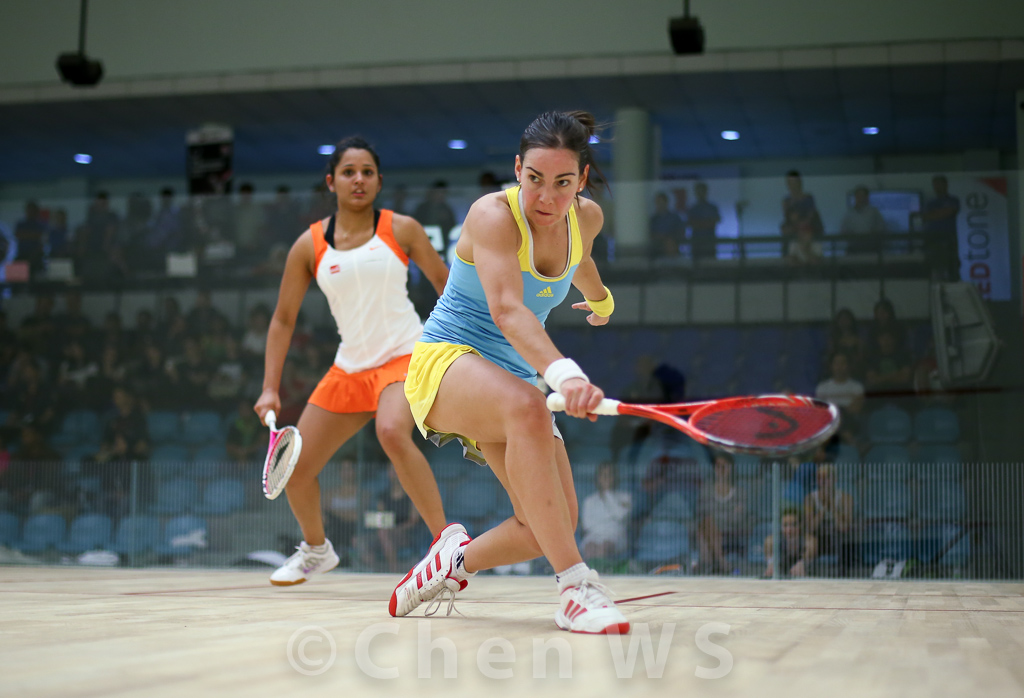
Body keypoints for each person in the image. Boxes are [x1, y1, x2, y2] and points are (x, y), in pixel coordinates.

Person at [396, 110, 630, 634]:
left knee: (546, 527)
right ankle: (575, 588)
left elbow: (582, 262)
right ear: (518, 168)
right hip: (448, 360)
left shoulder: (585, 218)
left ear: (582, 181)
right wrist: (564, 375)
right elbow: (506, 308)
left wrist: (602, 303)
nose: (546, 198)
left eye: (563, 183)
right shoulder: (491, 215)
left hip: (514, 376)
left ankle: (452, 563)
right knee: (527, 406)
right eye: (535, 180)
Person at [253, 136, 451, 587]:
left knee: (390, 431)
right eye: (348, 172)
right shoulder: (309, 245)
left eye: (366, 171)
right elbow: (283, 320)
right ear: (331, 182)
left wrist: (458, 348)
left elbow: (446, 287)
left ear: (379, 181)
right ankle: (316, 550)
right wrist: (270, 386)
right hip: (348, 368)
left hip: (404, 357)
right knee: (297, 469)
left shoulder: (403, 229)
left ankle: (446, 547)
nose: (357, 179)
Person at [695, 453, 749, 574]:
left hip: (732, 531)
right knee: (706, 524)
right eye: (718, 466)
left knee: (706, 526)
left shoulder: (740, 491)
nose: (721, 469)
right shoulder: (707, 489)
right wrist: (728, 513)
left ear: (731, 468)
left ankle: (710, 564)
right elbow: (701, 511)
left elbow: (739, 517)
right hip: (710, 528)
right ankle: (721, 562)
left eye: (725, 466)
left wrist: (718, 516)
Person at [803, 464, 853, 574]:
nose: (823, 481)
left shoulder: (846, 498)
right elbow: (810, 527)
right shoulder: (810, 498)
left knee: (844, 541)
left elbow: (845, 527)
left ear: (835, 479)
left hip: (839, 538)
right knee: (810, 541)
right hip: (818, 537)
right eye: (820, 478)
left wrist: (833, 509)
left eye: (827, 477)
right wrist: (823, 509)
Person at [580, 462, 632, 566]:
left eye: (609, 475)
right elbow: (587, 524)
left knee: (604, 547)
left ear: (614, 477)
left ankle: (602, 575)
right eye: (603, 475)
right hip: (593, 535)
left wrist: (607, 493)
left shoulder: (625, 497)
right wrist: (608, 521)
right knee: (590, 547)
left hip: (615, 535)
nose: (606, 478)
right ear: (598, 478)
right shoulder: (589, 500)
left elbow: (620, 516)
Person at [815, 352, 865, 444]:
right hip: (829, 422)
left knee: (842, 414)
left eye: (843, 363)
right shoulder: (823, 387)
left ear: (848, 365)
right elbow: (821, 411)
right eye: (836, 363)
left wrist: (837, 409)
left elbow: (856, 409)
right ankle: (849, 439)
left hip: (851, 422)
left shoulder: (857, 387)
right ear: (831, 366)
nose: (839, 366)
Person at [920, 175, 960, 280]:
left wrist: (935, 214)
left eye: (939, 184)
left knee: (950, 266)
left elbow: (949, 212)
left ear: (945, 185)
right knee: (934, 267)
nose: (937, 187)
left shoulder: (953, 200)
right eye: (935, 185)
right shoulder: (930, 202)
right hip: (932, 240)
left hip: (948, 239)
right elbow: (925, 217)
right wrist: (939, 213)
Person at [764, 508, 816, 578]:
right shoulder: (774, 540)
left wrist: (803, 563)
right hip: (781, 566)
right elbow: (768, 542)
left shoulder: (808, 540)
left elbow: (812, 545)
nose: (789, 530)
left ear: (800, 525)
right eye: (785, 525)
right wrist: (771, 563)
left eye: (793, 525)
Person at [841, 186, 886, 253]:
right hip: (854, 248)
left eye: (862, 196)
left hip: (871, 248)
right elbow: (843, 230)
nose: (860, 198)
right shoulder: (849, 213)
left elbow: (881, 228)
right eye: (858, 196)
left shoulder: (873, 212)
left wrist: (872, 234)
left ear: (866, 197)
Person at [780, 170, 823, 240]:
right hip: (794, 233)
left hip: (808, 232)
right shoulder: (787, 202)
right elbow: (789, 218)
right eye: (790, 183)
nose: (793, 185)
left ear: (799, 182)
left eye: (795, 182)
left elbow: (811, 216)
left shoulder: (808, 198)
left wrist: (802, 224)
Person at [687, 181, 721, 261]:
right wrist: (706, 222)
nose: (700, 193)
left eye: (702, 191)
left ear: (706, 192)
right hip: (696, 243)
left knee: (710, 265)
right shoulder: (692, 208)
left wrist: (700, 223)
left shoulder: (712, 207)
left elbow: (715, 221)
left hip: (709, 243)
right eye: (698, 191)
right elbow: (690, 223)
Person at [648, 192, 686, 258]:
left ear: (666, 202)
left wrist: (671, 240)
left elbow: (681, 231)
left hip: (673, 250)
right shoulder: (653, 219)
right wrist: (661, 238)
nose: (659, 204)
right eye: (657, 202)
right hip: (657, 252)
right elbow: (650, 234)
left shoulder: (675, 217)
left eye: (661, 202)